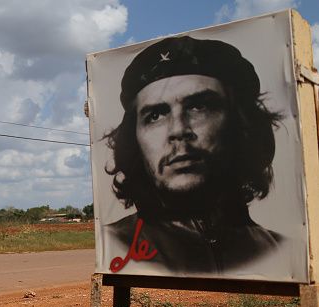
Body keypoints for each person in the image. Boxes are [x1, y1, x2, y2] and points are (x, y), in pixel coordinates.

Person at [103, 36, 284, 275]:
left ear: (241, 123)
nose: (178, 130)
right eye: (155, 115)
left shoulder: (279, 249)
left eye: (199, 107)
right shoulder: (113, 241)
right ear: (134, 140)